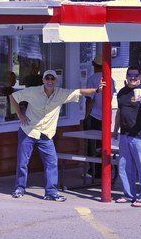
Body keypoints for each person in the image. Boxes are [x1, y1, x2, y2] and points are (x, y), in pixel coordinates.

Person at [10, 70, 105, 202]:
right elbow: (13, 97)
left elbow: (79, 92)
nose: (49, 81)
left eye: (52, 79)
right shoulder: (33, 91)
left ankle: (51, 192)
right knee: (22, 162)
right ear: (43, 80)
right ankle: (19, 188)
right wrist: (20, 115)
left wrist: (97, 90)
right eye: (47, 78)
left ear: (56, 81)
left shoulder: (61, 93)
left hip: (46, 134)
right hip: (28, 131)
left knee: (52, 162)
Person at [113, 66, 141, 207]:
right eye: (130, 75)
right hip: (125, 134)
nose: (133, 78)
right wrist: (115, 129)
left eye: (135, 75)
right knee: (125, 167)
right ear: (126, 76)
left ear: (140, 77)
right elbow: (120, 112)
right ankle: (129, 195)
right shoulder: (122, 92)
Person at [82, 56, 110, 173]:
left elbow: (89, 100)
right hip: (105, 116)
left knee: (91, 144)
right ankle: (102, 169)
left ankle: (93, 170)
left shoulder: (92, 79)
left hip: (93, 115)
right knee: (102, 144)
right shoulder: (110, 79)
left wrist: (86, 116)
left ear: (95, 65)